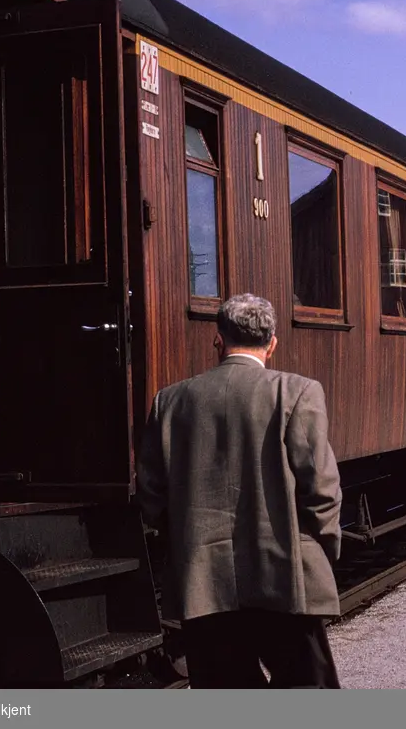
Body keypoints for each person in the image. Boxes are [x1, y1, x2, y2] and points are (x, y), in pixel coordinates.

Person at [135, 293, 343, 688]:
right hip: (286, 577)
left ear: (218, 338)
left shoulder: (171, 402)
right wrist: (322, 549)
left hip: (204, 584)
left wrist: (184, 545)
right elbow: (321, 489)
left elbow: (150, 496)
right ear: (273, 343)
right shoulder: (296, 392)